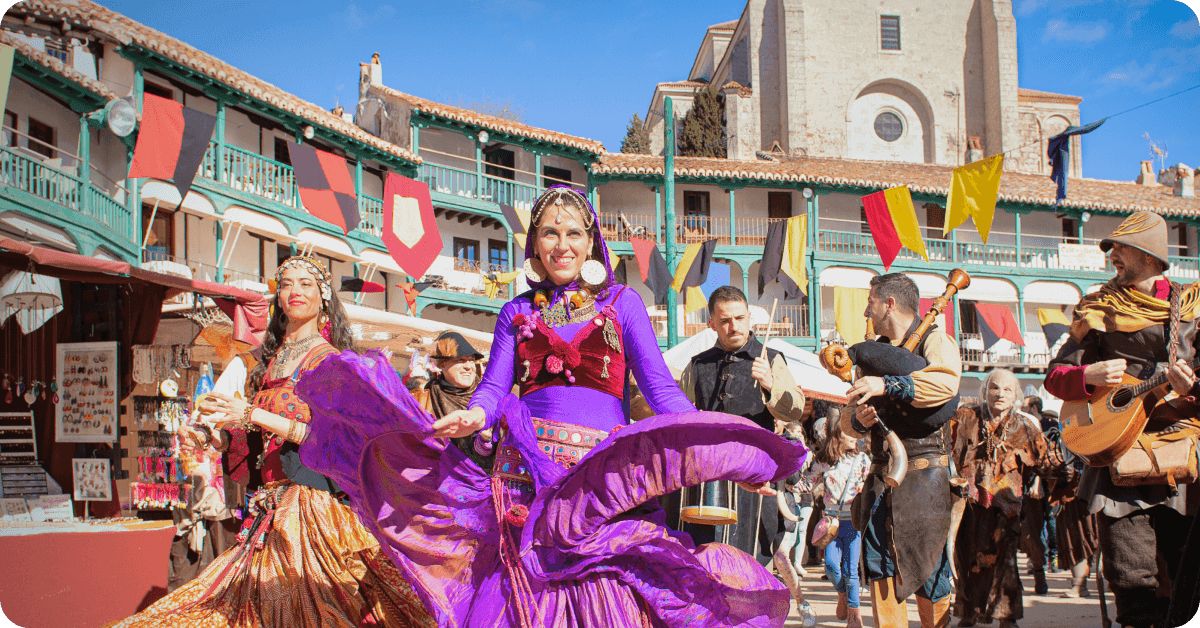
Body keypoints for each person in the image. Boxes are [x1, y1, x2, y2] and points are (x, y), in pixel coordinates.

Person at [297, 186, 808, 628]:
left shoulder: (622, 304)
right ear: (534, 246)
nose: (561, 246)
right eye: (548, 234)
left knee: (609, 594)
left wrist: (731, 455)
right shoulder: (516, 312)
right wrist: (474, 416)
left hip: (604, 482)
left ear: (591, 242)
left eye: (572, 234)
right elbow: (494, 391)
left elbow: (661, 395)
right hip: (525, 479)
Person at [109, 257, 432, 627]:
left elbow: (335, 443)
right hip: (267, 508)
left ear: (324, 296)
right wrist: (212, 437)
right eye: (287, 284)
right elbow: (255, 442)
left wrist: (253, 414)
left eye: (306, 283)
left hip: (314, 510)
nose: (295, 291)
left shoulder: (333, 362)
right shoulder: (266, 362)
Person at [1044, 211, 1199, 628]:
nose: (1112, 254)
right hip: (1119, 455)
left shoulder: (1193, 308)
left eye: (1121, 248)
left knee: (1188, 577)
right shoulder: (1098, 307)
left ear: (1149, 255)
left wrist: (1192, 390)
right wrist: (1086, 376)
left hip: (1182, 459)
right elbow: (1055, 376)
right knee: (1130, 579)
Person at [844, 272, 961, 628]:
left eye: (870, 302)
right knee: (880, 567)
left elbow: (945, 384)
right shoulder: (875, 351)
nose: (867, 310)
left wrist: (887, 384)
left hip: (925, 476)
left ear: (889, 304)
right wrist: (860, 420)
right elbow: (846, 423)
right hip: (882, 477)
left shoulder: (935, 340)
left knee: (929, 570)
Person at [676, 286, 807, 556]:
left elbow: (795, 410)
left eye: (739, 318)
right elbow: (678, 414)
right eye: (724, 320)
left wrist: (770, 384)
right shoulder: (697, 364)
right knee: (704, 561)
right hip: (708, 481)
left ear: (749, 319)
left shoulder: (771, 359)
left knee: (749, 563)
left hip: (755, 480)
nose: (733, 326)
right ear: (711, 323)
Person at [949, 369, 1050, 628]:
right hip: (970, 503)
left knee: (1005, 561)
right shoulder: (965, 417)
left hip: (1007, 505)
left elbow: (1044, 463)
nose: (1000, 394)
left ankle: (1006, 616)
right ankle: (968, 613)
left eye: (1007, 389)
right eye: (994, 388)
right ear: (985, 391)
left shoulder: (1026, 425)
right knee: (969, 558)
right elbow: (946, 452)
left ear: (1016, 394)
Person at [808, 417, 870, 628]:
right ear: (836, 435)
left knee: (851, 570)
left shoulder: (862, 459)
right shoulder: (822, 461)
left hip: (852, 522)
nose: (855, 437)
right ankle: (842, 594)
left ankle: (854, 614)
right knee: (832, 566)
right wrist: (786, 482)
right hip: (831, 523)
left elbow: (869, 484)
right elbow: (808, 483)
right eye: (849, 432)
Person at [409, 330, 493, 470]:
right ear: (442, 365)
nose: (468, 366)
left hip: (482, 481)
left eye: (471, 360)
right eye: (460, 360)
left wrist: (487, 439)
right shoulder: (426, 397)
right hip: (436, 479)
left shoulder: (488, 398)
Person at [1042, 408, 1099, 599]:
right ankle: (1079, 585)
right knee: (1076, 541)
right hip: (1069, 498)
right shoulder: (1057, 439)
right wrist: (1059, 471)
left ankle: (1099, 583)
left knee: (1099, 541)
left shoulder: (1099, 434)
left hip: (1097, 495)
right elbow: (1046, 465)